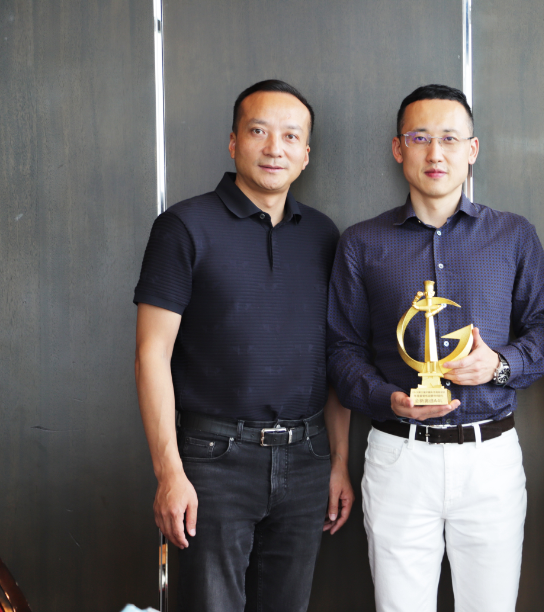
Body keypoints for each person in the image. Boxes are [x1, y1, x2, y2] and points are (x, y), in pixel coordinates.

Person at [326, 84, 544, 612]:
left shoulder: (514, 235)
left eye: (450, 138)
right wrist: (387, 398)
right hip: (398, 455)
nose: (435, 153)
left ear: (472, 150)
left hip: (490, 456)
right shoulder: (361, 243)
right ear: (398, 148)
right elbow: (341, 349)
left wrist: (499, 365)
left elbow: (543, 334)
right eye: (420, 138)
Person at [133, 79, 353, 612]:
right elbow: (151, 355)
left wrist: (338, 462)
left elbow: (333, 357)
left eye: (291, 136)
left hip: (307, 458)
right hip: (214, 459)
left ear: (306, 154)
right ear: (233, 142)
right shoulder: (184, 226)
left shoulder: (324, 235)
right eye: (259, 131)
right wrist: (170, 472)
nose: (275, 148)